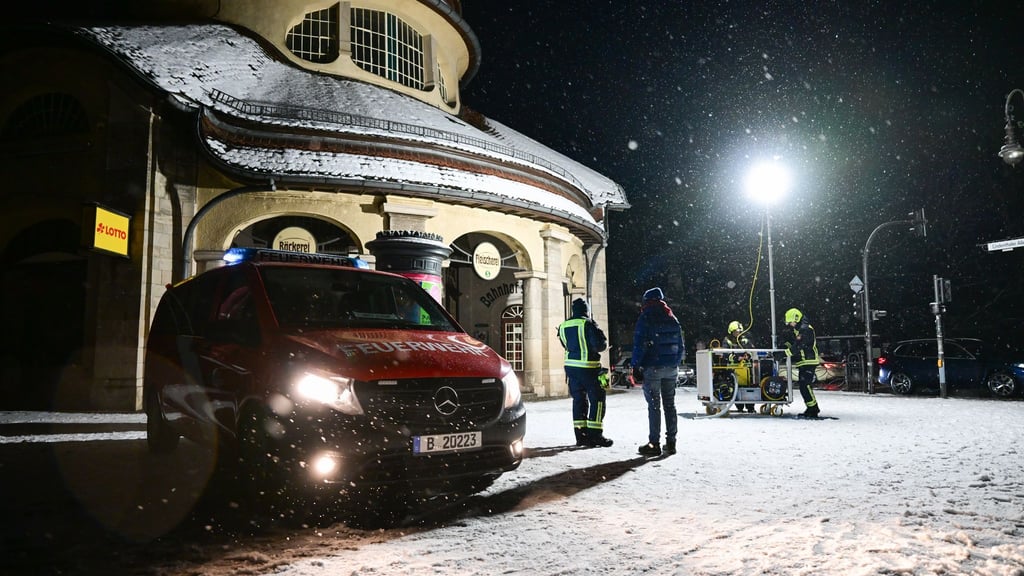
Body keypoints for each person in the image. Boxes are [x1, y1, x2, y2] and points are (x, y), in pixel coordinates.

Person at [632, 287, 684, 456]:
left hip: (652, 368)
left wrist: (636, 366)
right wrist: (674, 362)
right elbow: (681, 345)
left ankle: (654, 443)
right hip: (671, 369)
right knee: (670, 405)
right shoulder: (672, 318)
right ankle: (671, 442)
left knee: (654, 406)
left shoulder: (646, 317)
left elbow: (639, 344)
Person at [557, 298, 613, 447]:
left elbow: (566, 344)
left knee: (579, 400)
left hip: (571, 368)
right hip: (589, 367)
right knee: (598, 399)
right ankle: (595, 435)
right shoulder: (588, 323)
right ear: (586, 310)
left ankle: (581, 436)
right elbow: (599, 345)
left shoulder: (564, 325)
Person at [780, 308, 821, 417]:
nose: (790, 325)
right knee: (804, 386)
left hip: (809, 361)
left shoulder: (805, 329)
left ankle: (813, 409)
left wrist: (785, 353)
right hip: (804, 361)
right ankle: (811, 408)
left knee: (805, 385)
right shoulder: (800, 329)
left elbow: (799, 346)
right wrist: (787, 344)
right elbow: (796, 344)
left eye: (791, 322)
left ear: (796, 319)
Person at [723, 320, 755, 413]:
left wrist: (747, 356)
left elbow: (751, 350)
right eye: (736, 332)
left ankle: (750, 407)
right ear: (731, 332)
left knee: (748, 387)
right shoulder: (727, 341)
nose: (738, 333)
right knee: (736, 388)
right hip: (733, 370)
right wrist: (737, 358)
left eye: (739, 332)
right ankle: (739, 407)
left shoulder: (745, 340)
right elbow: (725, 354)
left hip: (746, 369)